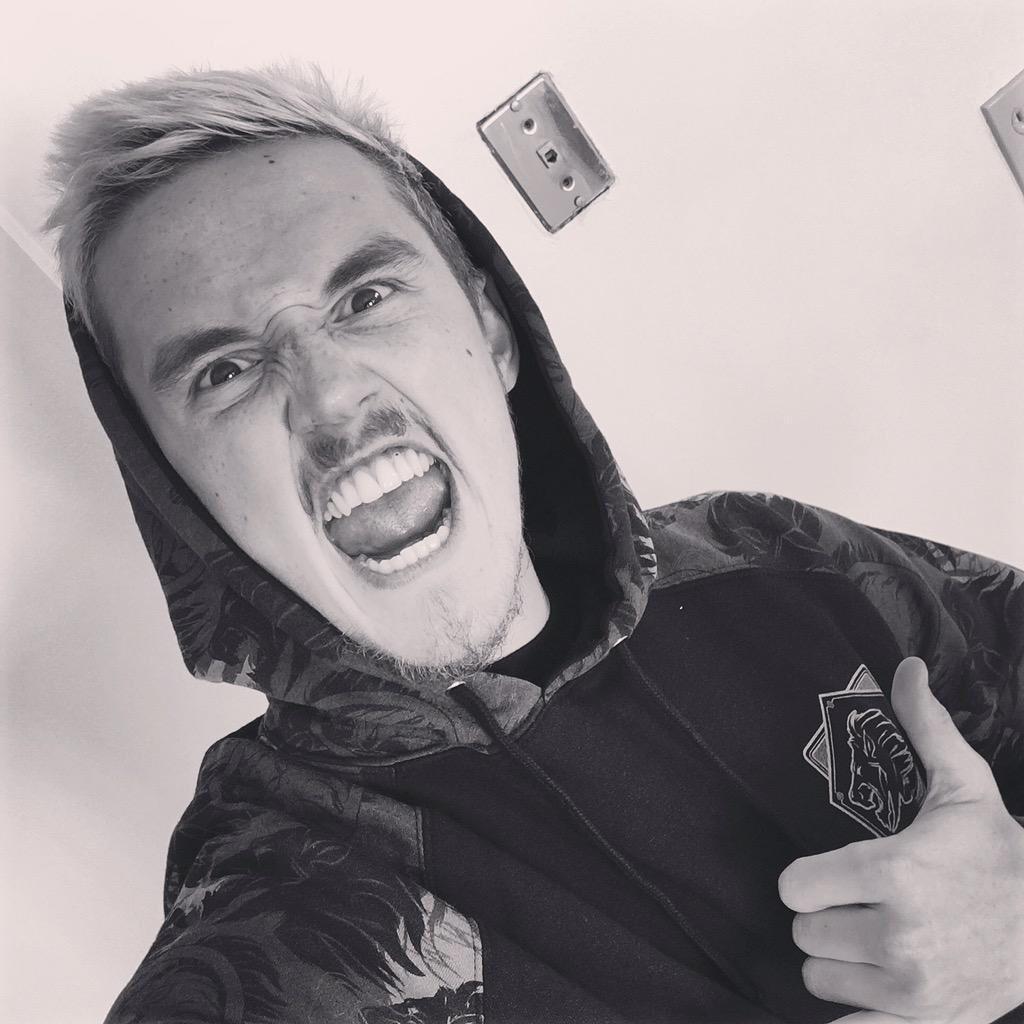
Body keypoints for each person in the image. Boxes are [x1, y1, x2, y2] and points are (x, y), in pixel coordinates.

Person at [44, 64, 1023, 1024]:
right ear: (177, 496)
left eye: (365, 299)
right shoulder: (281, 940)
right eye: (222, 371)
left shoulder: (771, 549)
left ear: (492, 328)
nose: (331, 398)